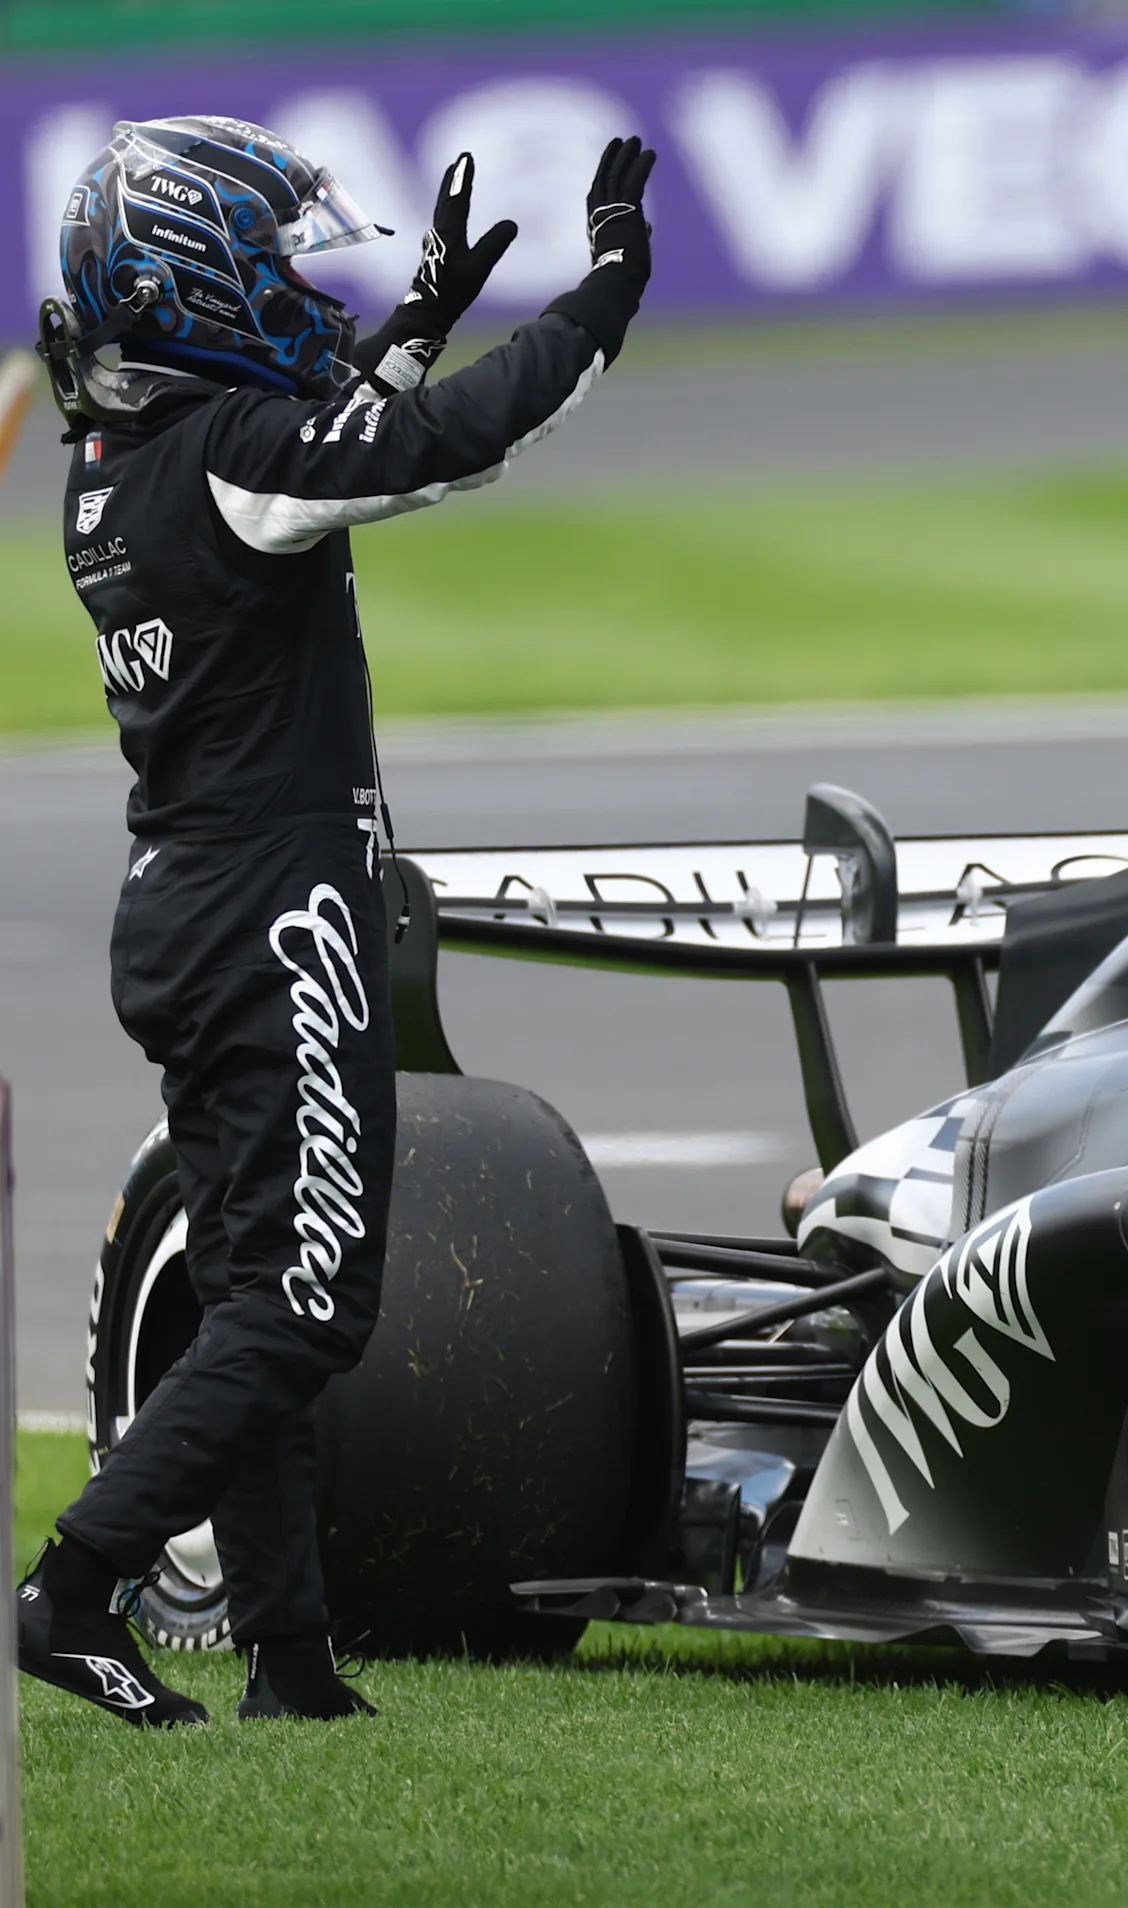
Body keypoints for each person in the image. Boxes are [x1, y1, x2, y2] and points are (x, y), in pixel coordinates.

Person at [16, 117, 658, 1727]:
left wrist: (419, 317)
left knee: (256, 1301)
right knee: (310, 1309)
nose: (298, 291)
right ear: (189, 284)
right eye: (273, 265)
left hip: (190, 908)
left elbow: (319, 451)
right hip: (278, 919)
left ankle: (290, 1662)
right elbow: (452, 446)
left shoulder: (116, 472)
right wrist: (604, 294)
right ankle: (71, 1586)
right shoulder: (227, 459)